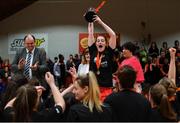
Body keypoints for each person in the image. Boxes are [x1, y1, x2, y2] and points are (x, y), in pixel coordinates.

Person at [88, 15, 116, 101]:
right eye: (98, 41)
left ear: (106, 43)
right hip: (93, 87)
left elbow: (113, 35)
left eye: (102, 41)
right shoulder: (93, 51)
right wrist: (90, 20)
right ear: (96, 43)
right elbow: (90, 34)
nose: (100, 42)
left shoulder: (109, 52)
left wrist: (100, 22)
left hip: (106, 89)